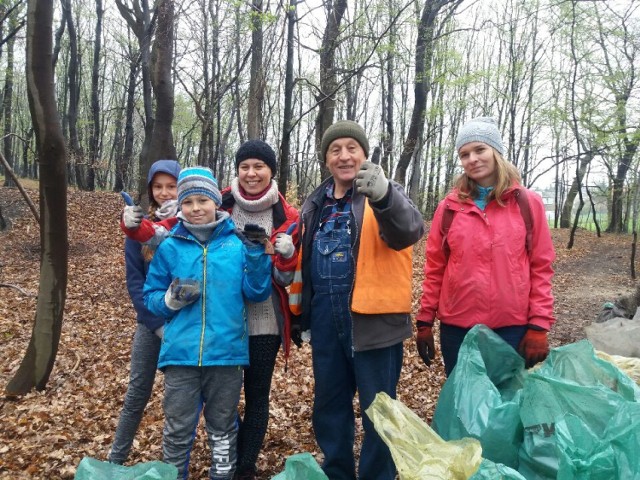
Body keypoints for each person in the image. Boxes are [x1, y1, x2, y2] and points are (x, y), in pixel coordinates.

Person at [293, 120, 425, 480]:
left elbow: (410, 230)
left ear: (364, 154)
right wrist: (299, 317)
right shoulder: (314, 203)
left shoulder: (384, 192)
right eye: (335, 150)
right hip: (324, 319)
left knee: (379, 411)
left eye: (352, 147)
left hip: (372, 321)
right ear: (326, 159)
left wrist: (383, 195)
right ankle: (337, 473)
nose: (344, 155)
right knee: (329, 408)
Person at [142, 166, 272, 479]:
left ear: (216, 202)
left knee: (223, 430)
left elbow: (257, 292)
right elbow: (151, 296)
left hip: (226, 356)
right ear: (180, 206)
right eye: (188, 202)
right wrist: (169, 301)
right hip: (180, 356)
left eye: (203, 200)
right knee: (177, 429)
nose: (196, 208)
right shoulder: (170, 245)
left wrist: (257, 255)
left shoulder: (236, 245)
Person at [416, 116, 555, 376]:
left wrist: (539, 325)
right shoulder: (449, 208)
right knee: (464, 406)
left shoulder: (527, 203)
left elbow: (541, 267)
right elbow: (435, 267)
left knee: (506, 407)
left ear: (496, 152)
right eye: (464, 154)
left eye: (480, 150)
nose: (472, 159)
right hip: (457, 329)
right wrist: (425, 320)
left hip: (511, 328)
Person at [219, 140, 299, 480]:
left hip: (265, 321)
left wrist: (287, 254)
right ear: (237, 170)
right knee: (218, 399)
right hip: (221, 319)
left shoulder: (289, 215)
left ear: (271, 171)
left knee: (256, 397)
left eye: (259, 167)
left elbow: (288, 277)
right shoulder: (217, 202)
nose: (251, 174)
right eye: (245, 166)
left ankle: (245, 467)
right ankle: (225, 458)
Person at [109, 159, 181, 465]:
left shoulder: (193, 221)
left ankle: (172, 466)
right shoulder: (138, 227)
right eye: (158, 186)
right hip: (151, 326)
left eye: (171, 186)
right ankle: (114, 460)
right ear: (150, 190)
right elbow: (135, 283)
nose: (164, 193)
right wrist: (155, 325)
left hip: (185, 325)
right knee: (137, 393)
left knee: (183, 401)